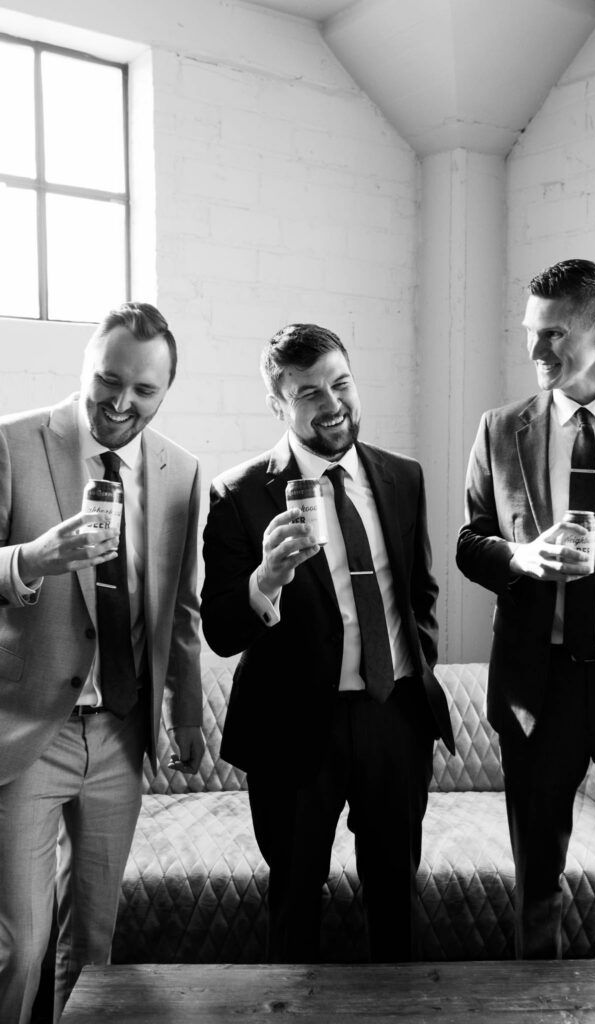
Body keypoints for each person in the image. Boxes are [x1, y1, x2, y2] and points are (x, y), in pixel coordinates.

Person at [456, 258, 595, 1023]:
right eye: (531, 332)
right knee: (536, 883)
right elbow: (468, 543)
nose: (535, 349)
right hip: (539, 685)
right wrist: (520, 558)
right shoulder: (500, 429)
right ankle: (537, 1014)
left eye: (553, 333)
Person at [201, 322, 454, 963]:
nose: (332, 403)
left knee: (395, 899)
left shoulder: (403, 477)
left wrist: (411, 669)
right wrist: (265, 580)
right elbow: (221, 630)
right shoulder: (238, 493)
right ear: (278, 405)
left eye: (340, 383)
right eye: (309, 392)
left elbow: (419, 592)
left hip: (394, 717)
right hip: (292, 729)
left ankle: (395, 1007)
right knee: (294, 904)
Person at [0, 302, 205, 1024]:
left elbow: (181, 608)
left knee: (92, 945)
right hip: (28, 730)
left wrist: (186, 716)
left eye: (143, 390)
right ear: (86, 366)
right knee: (20, 946)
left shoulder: (181, 472)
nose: (121, 402)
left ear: (165, 390)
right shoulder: (12, 442)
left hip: (120, 733)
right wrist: (30, 560)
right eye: (108, 380)